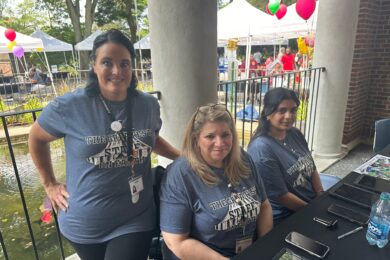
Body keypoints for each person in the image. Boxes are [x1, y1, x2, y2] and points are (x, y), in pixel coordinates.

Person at [28, 29, 180, 260]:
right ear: (94, 65)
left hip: (135, 217)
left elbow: (150, 139)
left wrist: (184, 157)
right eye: (107, 62)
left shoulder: (148, 105)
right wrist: (49, 183)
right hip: (83, 225)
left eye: (125, 63)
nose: (117, 71)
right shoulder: (70, 106)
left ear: (133, 67)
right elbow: (36, 138)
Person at [160, 104, 273, 259]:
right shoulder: (180, 174)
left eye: (225, 135)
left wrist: (265, 247)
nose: (220, 143)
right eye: (210, 136)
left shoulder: (243, 159)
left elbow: (264, 205)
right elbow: (176, 241)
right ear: (196, 139)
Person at [247, 88, 324, 225]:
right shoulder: (261, 148)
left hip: (312, 204)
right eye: (281, 111)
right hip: (287, 216)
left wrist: (321, 195)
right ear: (268, 113)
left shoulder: (294, 133)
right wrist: (314, 210)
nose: (289, 116)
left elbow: (312, 169)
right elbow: (281, 197)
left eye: (293, 110)